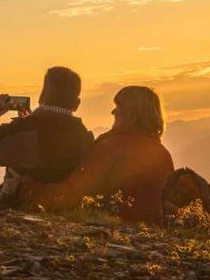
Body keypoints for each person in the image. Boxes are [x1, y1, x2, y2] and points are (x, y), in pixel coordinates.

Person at [20, 86, 174, 225]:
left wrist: (27, 189)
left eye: (118, 107)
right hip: (154, 230)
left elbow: (71, 194)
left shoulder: (114, 147)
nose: (113, 112)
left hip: (118, 228)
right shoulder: (162, 153)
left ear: (131, 114)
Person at [0, 67, 94, 194]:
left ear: (41, 97)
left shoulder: (26, 129)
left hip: (23, 202)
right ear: (77, 104)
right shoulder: (84, 136)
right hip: (63, 203)